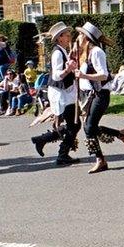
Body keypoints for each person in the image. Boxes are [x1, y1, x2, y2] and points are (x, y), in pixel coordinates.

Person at [74, 22, 124, 174]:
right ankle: (120, 134)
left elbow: (104, 75)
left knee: (89, 128)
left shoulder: (97, 52)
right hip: (88, 95)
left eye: (80, 34)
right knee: (90, 127)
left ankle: (100, 160)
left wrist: (84, 75)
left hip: (100, 94)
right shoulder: (84, 53)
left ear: (87, 38)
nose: (78, 37)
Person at [30, 22, 82, 166]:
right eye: (66, 34)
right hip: (61, 94)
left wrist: (71, 67)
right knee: (74, 125)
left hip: (66, 93)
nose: (69, 37)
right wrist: (68, 69)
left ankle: (44, 141)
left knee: (75, 124)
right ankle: (61, 154)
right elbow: (57, 76)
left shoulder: (62, 51)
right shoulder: (57, 53)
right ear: (59, 38)